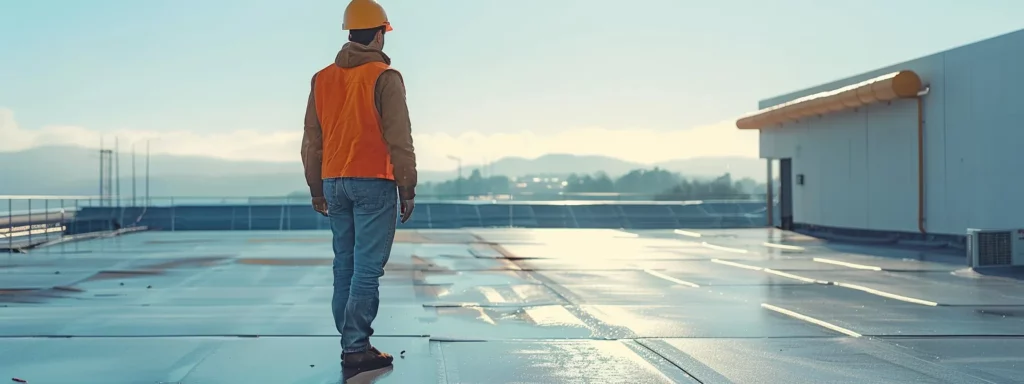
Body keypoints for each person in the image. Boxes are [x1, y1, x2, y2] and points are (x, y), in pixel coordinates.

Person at [300, 0, 417, 371]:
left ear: (349, 33)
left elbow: (311, 140)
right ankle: (356, 347)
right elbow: (399, 138)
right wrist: (407, 187)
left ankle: (350, 341)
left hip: (334, 182)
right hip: (374, 183)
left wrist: (316, 188)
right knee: (367, 269)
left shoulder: (322, 78)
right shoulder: (386, 77)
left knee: (344, 267)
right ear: (380, 34)